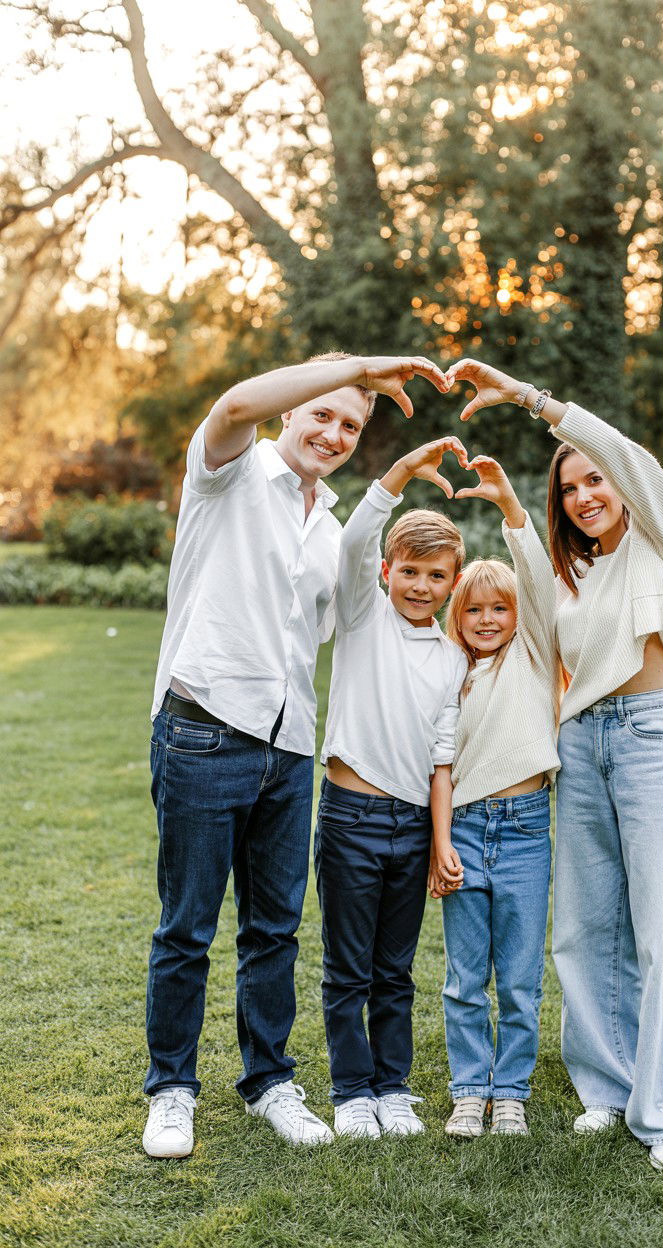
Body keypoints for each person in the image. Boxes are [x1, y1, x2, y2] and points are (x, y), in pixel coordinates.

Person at [142, 352, 449, 1159]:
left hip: (288, 750)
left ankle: (270, 1081)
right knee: (187, 929)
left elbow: (350, 619)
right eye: (323, 413)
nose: (335, 432)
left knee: (274, 931)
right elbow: (236, 398)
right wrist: (359, 367)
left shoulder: (332, 531)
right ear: (293, 412)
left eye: (351, 425)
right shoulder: (228, 474)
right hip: (204, 728)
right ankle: (171, 1091)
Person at [444, 359, 663, 1171]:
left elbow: (628, 458)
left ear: (623, 481)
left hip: (656, 738)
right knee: (586, 931)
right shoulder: (576, 576)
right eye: (570, 489)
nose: (585, 495)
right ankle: (605, 1089)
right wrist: (518, 507)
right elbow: (531, 591)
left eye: (596, 480)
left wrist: (532, 402)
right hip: (584, 746)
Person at [316, 436, 469, 1139]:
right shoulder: (362, 616)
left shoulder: (448, 660)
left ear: (451, 584)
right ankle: (351, 1090)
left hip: (412, 829)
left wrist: (437, 841)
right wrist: (404, 471)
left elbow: (443, 757)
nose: (420, 586)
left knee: (394, 969)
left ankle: (393, 1087)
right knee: (348, 966)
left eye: (436, 576)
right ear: (386, 571)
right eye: (409, 571)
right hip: (349, 817)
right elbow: (353, 540)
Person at [435, 454, 560, 1138]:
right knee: (463, 978)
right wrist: (442, 842)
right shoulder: (450, 674)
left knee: (516, 978)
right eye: (475, 609)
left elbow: (538, 583)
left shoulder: (532, 655)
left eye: (499, 609)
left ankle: (508, 1089)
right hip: (465, 832)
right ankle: (468, 1091)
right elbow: (440, 768)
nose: (487, 619)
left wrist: (511, 506)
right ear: (459, 617)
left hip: (524, 831)